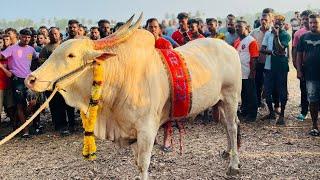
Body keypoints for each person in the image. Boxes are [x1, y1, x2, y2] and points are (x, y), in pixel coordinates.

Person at [0, 28, 39, 137]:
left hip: (29, 79)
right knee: (20, 106)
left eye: (28, 37)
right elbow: (2, 56)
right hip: (17, 80)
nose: (26, 39)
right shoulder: (12, 48)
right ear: (19, 37)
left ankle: (19, 120)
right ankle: (25, 131)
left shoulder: (31, 49)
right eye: (24, 37)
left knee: (33, 102)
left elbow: (38, 57)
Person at [39, 27, 74, 135]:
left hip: (67, 80)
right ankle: (60, 125)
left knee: (69, 103)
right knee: (56, 104)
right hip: (53, 82)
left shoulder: (66, 45)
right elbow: (42, 65)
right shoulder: (45, 49)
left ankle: (72, 124)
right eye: (52, 34)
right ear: (49, 36)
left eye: (56, 34)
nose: (54, 36)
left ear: (60, 35)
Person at [261, 15, 291, 125]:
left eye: (280, 23)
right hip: (268, 67)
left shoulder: (285, 35)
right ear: (273, 22)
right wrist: (273, 53)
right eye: (276, 23)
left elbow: (281, 48)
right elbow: (262, 49)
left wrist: (277, 36)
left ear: (283, 24)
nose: (277, 25)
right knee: (267, 91)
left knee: (282, 91)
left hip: (281, 68)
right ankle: (271, 113)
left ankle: (282, 114)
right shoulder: (268, 34)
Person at [296, 14, 320, 136]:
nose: (313, 25)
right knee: (313, 101)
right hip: (310, 75)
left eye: (315, 22)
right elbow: (299, 55)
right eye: (311, 23)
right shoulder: (304, 37)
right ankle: (315, 125)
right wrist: (299, 70)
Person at [234, 20, 259, 122]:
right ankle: (244, 110)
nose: (237, 29)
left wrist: (252, 73)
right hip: (239, 73)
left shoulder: (251, 41)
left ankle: (252, 114)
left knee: (251, 94)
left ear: (246, 28)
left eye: (239, 27)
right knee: (243, 93)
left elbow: (254, 58)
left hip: (248, 72)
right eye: (236, 27)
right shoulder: (237, 41)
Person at [292, 10, 313, 121]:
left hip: (316, 66)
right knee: (304, 89)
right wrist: (297, 66)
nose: (305, 21)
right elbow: (295, 50)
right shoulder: (299, 34)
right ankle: (304, 112)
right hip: (304, 66)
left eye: (307, 19)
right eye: (303, 19)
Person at [250, 13, 272, 109]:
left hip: (270, 62)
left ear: (270, 21)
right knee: (258, 82)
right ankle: (258, 102)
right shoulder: (254, 33)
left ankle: (271, 104)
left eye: (266, 20)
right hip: (258, 61)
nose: (263, 21)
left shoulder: (273, 32)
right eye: (262, 19)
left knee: (269, 84)